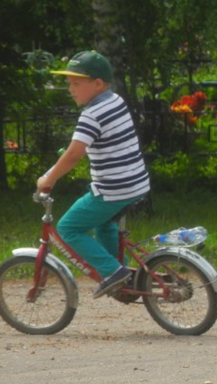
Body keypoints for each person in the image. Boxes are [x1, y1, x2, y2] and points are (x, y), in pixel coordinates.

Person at [38, 51, 151, 297]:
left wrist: (48, 179)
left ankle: (113, 272)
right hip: (136, 183)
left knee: (68, 228)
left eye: (76, 84)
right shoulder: (115, 101)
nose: (70, 89)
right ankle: (121, 275)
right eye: (69, 83)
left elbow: (73, 155)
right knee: (104, 224)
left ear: (98, 84)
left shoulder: (92, 114)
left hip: (113, 189)